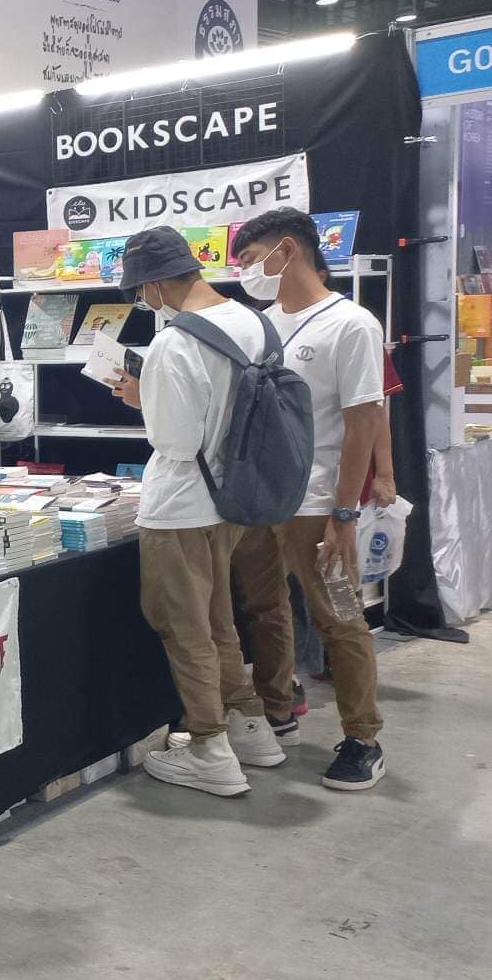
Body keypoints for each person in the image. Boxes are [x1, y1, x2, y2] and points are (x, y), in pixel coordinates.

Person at [226, 209, 391, 791]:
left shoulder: (352, 324)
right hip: (261, 497)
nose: (246, 273)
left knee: (340, 617)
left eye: (251, 260)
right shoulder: (261, 325)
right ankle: (277, 711)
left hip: (319, 500)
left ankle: (363, 738)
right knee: (264, 607)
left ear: (287, 251)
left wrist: (345, 513)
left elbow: (363, 421)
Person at [108, 226, 274, 797]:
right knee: (218, 618)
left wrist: (141, 398)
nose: (142, 300)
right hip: (232, 496)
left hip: (179, 504)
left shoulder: (175, 343)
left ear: (154, 284)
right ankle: (250, 726)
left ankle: (210, 748)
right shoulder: (254, 322)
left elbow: (175, 441)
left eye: (140, 290)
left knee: (185, 628)